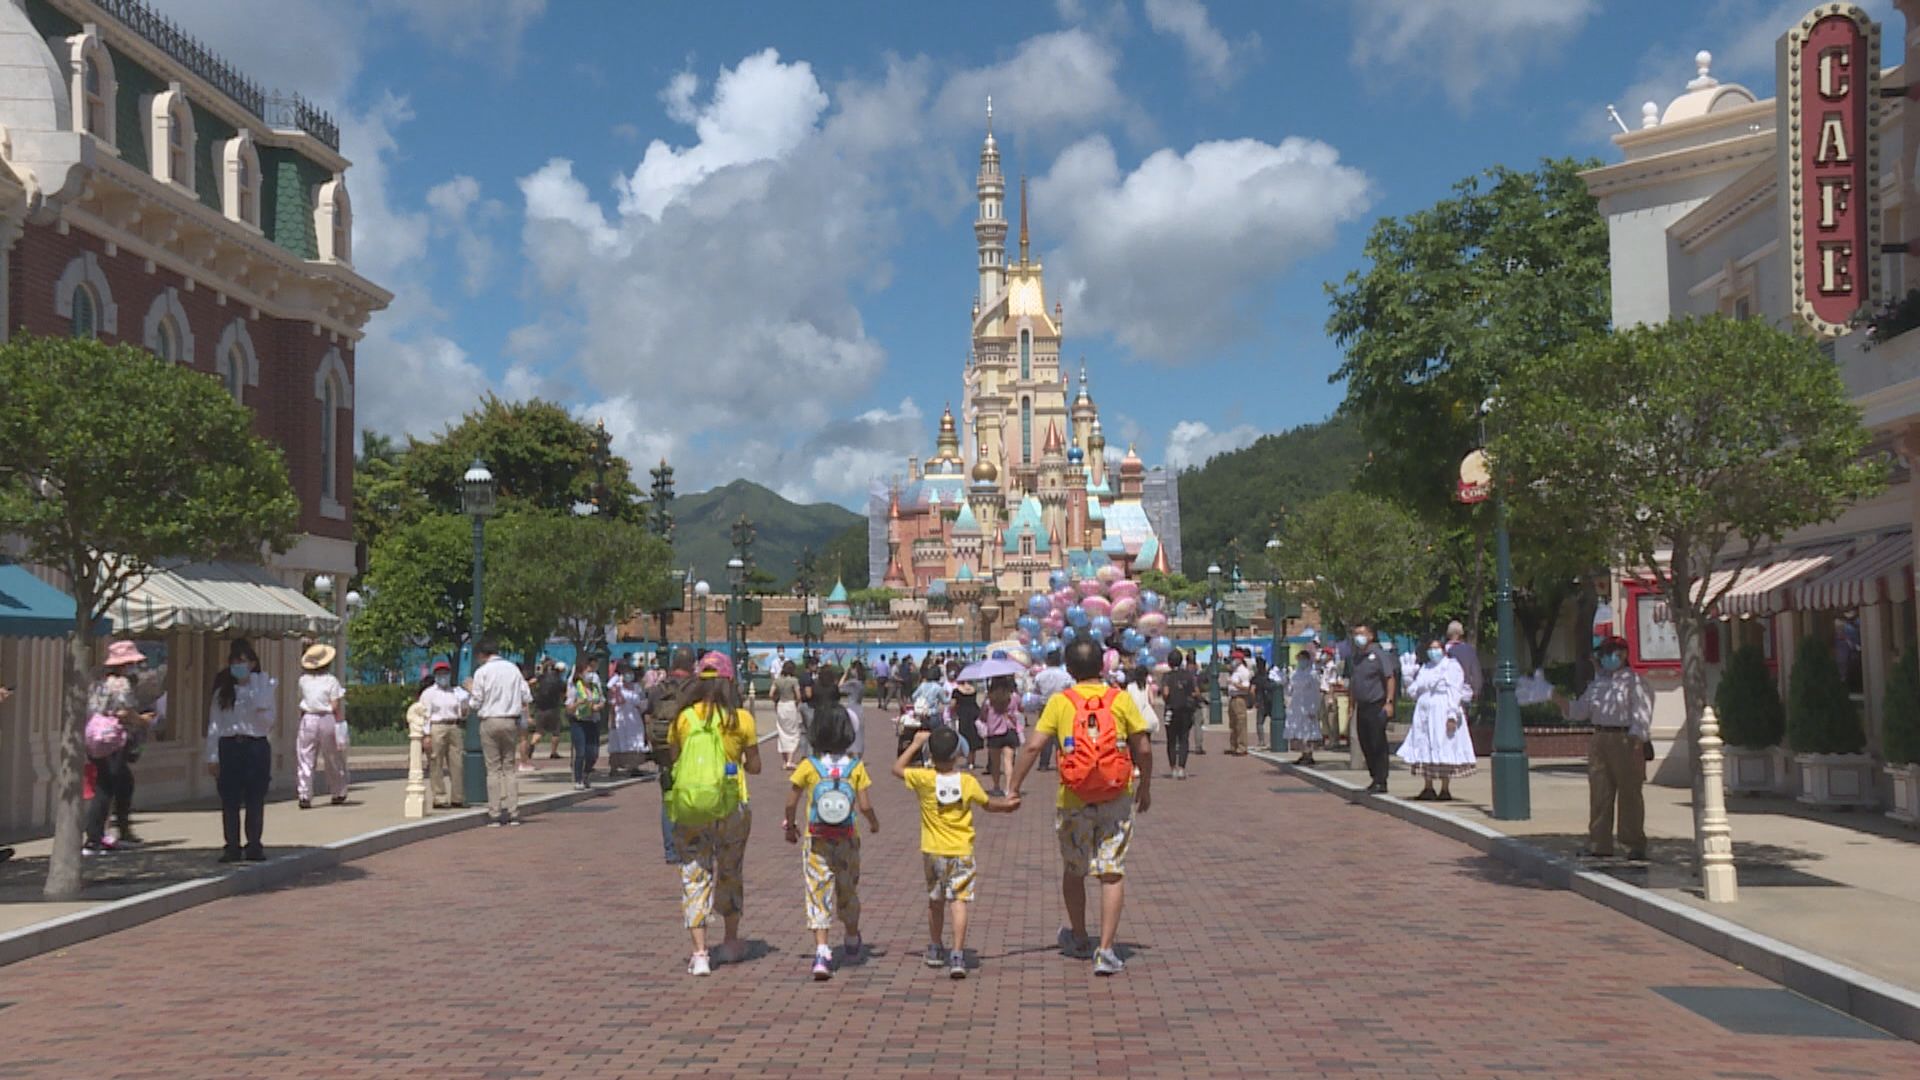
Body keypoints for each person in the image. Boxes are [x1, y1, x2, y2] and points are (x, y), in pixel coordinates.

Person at [1010, 637, 1153, 977]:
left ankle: (1078, 935)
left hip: (1073, 799)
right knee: (1111, 871)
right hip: (1115, 797)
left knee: (1075, 870)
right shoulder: (1118, 699)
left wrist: (1013, 787)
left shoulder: (1062, 702)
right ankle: (1105, 950)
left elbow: (1033, 747)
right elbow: (1143, 748)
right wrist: (1145, 787)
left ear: (1069, 670)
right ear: (1103, 666)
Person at [895, 727, 1020, 979]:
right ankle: (958, 953)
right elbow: (988, 804)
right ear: (957, 754)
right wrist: (1006, 806)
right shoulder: (967, 781)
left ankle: (934, 946)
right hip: (961, 849)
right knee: (958, 901)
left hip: (933, 849)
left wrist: (915, 744)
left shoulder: (924, 778)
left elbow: (897, 769)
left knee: (935, 900)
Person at [670, 652, 762, 976]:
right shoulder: (741, 720)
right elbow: (756, 766)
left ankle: (699, 953)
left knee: (695, 874)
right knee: (730, 870)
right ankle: (731, 940)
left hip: (693, 806)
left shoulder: (684, 719)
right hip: (732, 805)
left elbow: (675, 757)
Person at [783, 703, 880, 980]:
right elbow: (864, 805)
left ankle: (823, 950)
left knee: (817, 891)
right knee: (847, 888)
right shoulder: (855, 767)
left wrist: (790, 825)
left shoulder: (808, 767)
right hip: (848, 839)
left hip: (817, 838)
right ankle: (851, 937)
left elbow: (791, 801)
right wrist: (873, 823)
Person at [1560, 636, 1653, 861]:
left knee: (1629, 793)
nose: (1608, 658)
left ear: (1623, 655)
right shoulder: (1598, 684)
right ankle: (1599, 843)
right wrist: (1558, 700)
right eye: (1605, 653)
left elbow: (1641, 715)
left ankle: (1633, 843)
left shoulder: (1634, 682)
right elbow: (1579, 711)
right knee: (1600, 791)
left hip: (1625, 738)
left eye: (1613, 653)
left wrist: (1637, 744)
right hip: (1600, 737)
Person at [204, 639, 275, 862]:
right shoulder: (222, 693)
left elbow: (267, 723)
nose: (238, 666)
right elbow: (214, 725)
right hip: (229, 746)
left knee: (255, 798)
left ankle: (254, 845)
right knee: (230, 800)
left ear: (252, 663)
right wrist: (212, 756)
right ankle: (231, 846)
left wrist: (258, 697)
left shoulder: (263, 688)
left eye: (242, 661)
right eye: (234, 661)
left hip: (255, 746)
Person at [83, 640, 151, 854]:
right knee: (109, 786)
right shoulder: (120, 683)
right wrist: (142, 720)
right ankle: (98, 836)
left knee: (115, 783)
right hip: (112, 740)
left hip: (95, 737)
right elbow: (124, 711)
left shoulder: (98, 681)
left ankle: (106, 833)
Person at [1396, 638, 1476, 801]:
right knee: (1425, 745)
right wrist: (1408, 678)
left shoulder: (1451, 667)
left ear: (1443, 650)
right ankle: (1428, 786)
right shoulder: (1426, 668)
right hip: (1424, 712)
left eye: (1436, 648)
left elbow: (1455, 691)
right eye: (1431, 648)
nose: (1434, 652)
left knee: (1444, 745)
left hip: (1442, 709)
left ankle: (1445, 788)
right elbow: (1414, 692)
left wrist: (1452, 714)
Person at [470, 639, 532, 826]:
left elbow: (476, 701)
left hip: (490, 720)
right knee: (509, 768)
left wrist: (469, 691)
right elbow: (526, 696)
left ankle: (495, 813)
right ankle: (514, 812)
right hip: (510, 720)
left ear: (481, 654)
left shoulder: (482, 672)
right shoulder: (513, 669)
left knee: (493, 769)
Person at [647, 647, 698, 863]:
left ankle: (670, 850)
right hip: (689, 749)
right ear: (692, 665)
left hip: (663, 749)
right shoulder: (696, 688)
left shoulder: (659, 689)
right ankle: (689, 845)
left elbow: (648, 715)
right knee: (692, 798)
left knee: (668, 799)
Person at [292, 643, 348, 809]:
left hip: (308, 718)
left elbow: (301, 701)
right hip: (327, 718)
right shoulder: (331, 681)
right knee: (333, 757)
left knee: (305, 756)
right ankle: (338, 791)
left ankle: (304, 794)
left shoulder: (303, 681)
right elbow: (335, 705)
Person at [1345, 624, 1398, 794]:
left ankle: (1381, 779)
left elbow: (1389, 678)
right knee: (1365, 742)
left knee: (1377, 742)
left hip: (1377, 704)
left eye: (1361, 634)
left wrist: (1389, 702)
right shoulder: (1357, 658)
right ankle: (1374, 776)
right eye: (1355, 634)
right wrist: (1351, 705)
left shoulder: (1379, 655)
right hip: (1362, 705)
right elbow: (1354, 683)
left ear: (1370, 636)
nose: (1358, 637)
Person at [418, 661, 469, 808]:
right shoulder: (429, 694)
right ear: (435, 675)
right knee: (436, 762)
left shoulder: (456, 692)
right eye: (440, 673)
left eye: (445, 673)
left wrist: (465, 704)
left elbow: (463, 713)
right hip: (437, 726)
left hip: (454, 725)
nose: (443, 676)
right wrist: (426, 735)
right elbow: (425, 715)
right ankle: (439, 797)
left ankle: (457, 797)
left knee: (457, 762)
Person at [978, 674, 1023, 796]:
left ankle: (996, 786)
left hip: (994, 734)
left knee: (995, 763)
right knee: (1008, 761)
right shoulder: (1013, 697)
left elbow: (982, 716)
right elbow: (1021, 708)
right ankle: (1009, 787)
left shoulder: (989, 700)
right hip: (1009, 731)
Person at [565, 660, 607, 791]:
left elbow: (602, 701)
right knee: (581, 751)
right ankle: (578, 779)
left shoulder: (594, 687)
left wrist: (598, 706)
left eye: (592, 672)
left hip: (592, 721)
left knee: (593, 753)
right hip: (579, 722)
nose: (590, 675)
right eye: (588, 672)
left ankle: (586, 773)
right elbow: (569, 708)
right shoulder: (575, 687)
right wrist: (578, 703)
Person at [608, 657, 651, 778]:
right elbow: (612, 703)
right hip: (621, 718)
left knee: (635, 741)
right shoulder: (617, 686)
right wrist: (612, 720)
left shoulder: (636, 687)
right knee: (616, 741)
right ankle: (614, 767)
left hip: (635, 718)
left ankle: (633, 766)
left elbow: (642, 702)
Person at [1030, 648, 1073, 771]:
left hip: (1045, 705)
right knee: (1061, 734)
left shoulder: (1040, 675)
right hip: (1062, 705)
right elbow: (1071, 689)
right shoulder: (1065, 675)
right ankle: (1063, 761)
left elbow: (1035, 690)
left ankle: (1044, 763)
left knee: (1044, 735)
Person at [1159, 649, 1198, 779]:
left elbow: (1165, 693)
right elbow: (1195, 692)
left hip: (1171, 710)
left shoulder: (1167, 676)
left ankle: (1173, 768)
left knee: (1171, 740)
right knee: (1183, 739)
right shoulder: (1188, 675)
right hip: (1185, 710)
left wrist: (1167, 700)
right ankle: (1182, 768)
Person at [1283, 649, 1323, 765]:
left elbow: (1316, 692)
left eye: (1303, 659)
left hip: (1308, 703)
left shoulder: (1313, 674)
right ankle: (1303, 753)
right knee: (1298, 730)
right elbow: (1290, 690)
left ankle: (1309, 754)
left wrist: (1314, 707)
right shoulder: (1295, 673)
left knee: (1308, 729)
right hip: (1297, 704)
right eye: (1299, 659)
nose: (1301, 662)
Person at [524, 659, 567, 767]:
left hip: (540, 708)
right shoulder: (560, 681)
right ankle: (553, 752)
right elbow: (564, 695)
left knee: (539, 731)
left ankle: (532, 745)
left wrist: (532, 690)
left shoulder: (542, 677)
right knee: (556, 731)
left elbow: (530, 682)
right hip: (553, 708)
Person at [771, 661, 804, 769]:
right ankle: (790, 760)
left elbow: (771, 694)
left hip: (781, 705)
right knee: (793, 732)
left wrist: (776, 701)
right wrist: (796, 702)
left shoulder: (777, 680)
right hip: (790, 705)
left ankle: (785, 761)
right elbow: (798, 695)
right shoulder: (794, 681)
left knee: (782, 731)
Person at [950, 663, 982, 772]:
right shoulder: (973, 689)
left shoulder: (957, 690)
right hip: (973, 713)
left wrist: (952, 712)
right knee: (973, 736)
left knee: (964, 736)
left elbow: (953, 705)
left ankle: (964, 759)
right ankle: (971, 761)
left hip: (963, 714)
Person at [1444, 621, 1485, 704]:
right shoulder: (1469, 650)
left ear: (1448, 634)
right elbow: (1476, 672)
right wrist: (1476, 691)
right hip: (1467, 692)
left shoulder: (1445, 650)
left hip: (1448, 692)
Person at [1225, 649, 1254, 756]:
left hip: (1239, 698)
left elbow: (1246, 687)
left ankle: (1242, 747)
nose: (1232, 660)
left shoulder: (1243, 671)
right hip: (1232, 698)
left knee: (1240, 723)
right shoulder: (1235, 670)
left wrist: (1234, 684)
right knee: (1233, 724)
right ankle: (1233, 746)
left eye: (1234, 658)